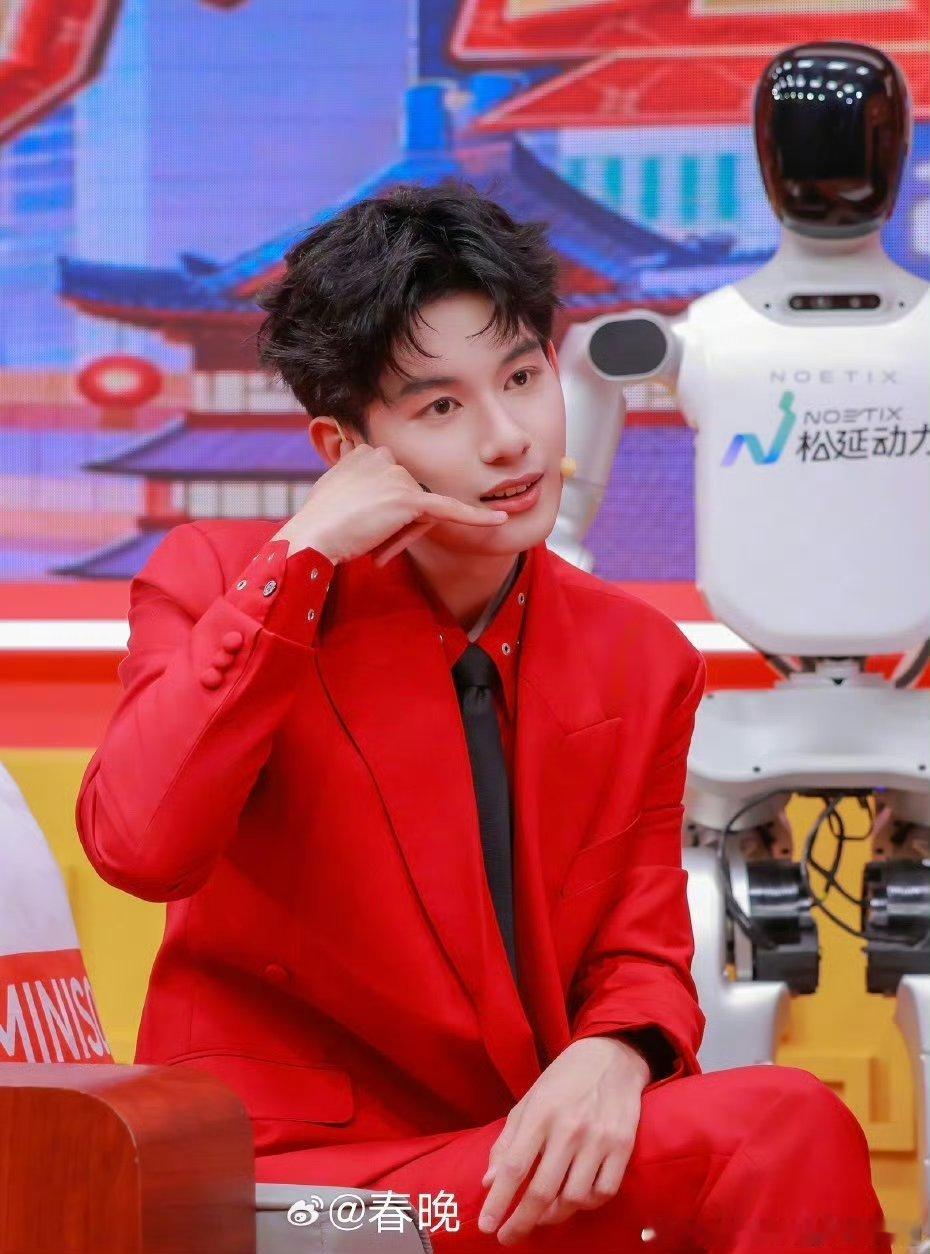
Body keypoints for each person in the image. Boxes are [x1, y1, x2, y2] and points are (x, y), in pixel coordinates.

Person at [75, 180, 890, 1251]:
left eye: (522, 377)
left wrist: (619, 1052)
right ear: (346, 450)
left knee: (782, 1129)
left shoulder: (639, 658)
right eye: (440, 408)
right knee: (779, 1126)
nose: (510, 440)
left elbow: (640, 948)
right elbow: (140, 846)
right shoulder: (227, 585)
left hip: (511, 1160)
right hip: (298, 1191)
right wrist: (296, 562)